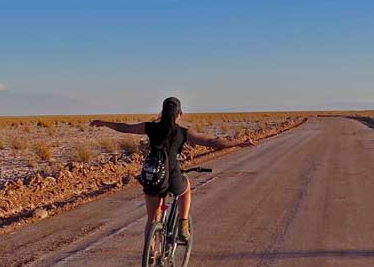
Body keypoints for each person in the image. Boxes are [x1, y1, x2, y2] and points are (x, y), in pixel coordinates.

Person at [89, 97, 254, 242]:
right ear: (179, 115)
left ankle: (151, 253)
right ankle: (183, 223)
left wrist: (104, 123)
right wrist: (238, 143)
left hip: (153, 175)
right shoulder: (182, 132)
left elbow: (125, 127)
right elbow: (212, 142)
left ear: (162, 112)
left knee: (152, 219)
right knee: (186, 188)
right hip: (173, 177)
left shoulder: (150, 127)